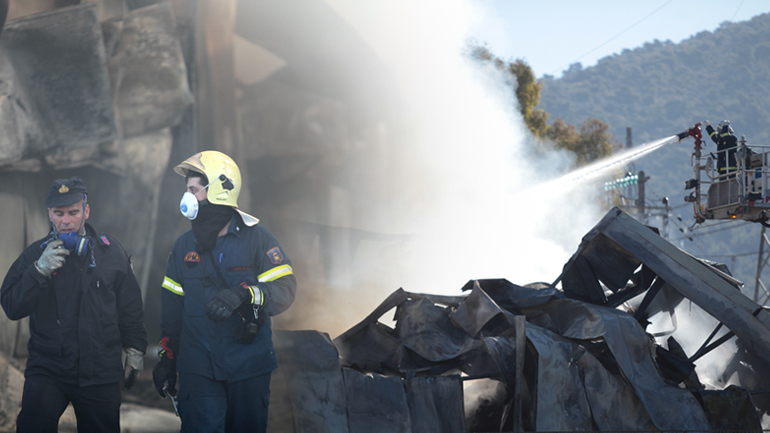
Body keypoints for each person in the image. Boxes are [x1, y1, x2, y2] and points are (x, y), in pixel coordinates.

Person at [153, 151, 296, 433]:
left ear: (218, 189)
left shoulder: (257, 239)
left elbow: (284, 289)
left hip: (248, 365)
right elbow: (172, 309)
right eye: (187, 190)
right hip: (198, 367)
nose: (188, 197)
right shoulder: (183, 246)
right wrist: (167, 359)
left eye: (194, 190)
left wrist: (246, 294)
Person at [0, 177, 147, 433]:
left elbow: (130, 307)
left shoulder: (111, 253)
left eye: (73, 212)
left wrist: (135, 349)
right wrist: (38, 272)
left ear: (86, 211)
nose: (66, 221)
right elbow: (12, 306)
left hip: (100, 371)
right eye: (58, 213)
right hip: (48, 370)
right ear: (49, 214)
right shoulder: (35, 255)